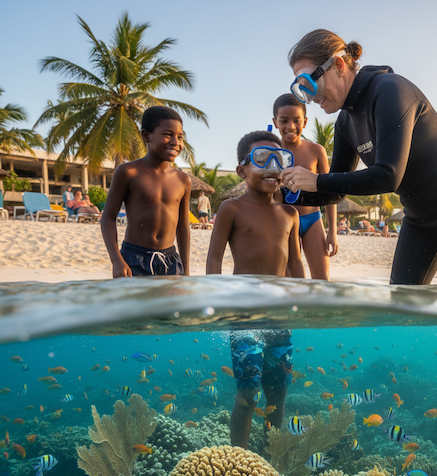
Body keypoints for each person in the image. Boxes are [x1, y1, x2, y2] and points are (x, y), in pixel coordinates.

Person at [281, 29, 437, 284]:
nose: (311, 97)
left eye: (309, 84)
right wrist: (281, 194)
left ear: (338, 65)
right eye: (301, 90)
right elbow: (335, 191)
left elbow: (389, 175)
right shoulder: (345, 122)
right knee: (402, 307)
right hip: (418, 216)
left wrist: (315, 180)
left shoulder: (389, 90)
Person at [206, 130, 304, 448]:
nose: (273, 167)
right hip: (244, 315)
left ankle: (270, 458)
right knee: (248, 394)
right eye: (263, 159)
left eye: (282, 159)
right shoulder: (231, 209)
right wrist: (218, 303)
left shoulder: (290, 214)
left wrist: (305, 302)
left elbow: (296, 267)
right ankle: (240, 458)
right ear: (242, 170)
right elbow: (214, 260)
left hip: (279, 318)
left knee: (278, 395)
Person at [101, 106, 190, 277]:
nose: (175, 142)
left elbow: (183, 226)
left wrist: (185, 269)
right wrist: (116, 260)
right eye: (167, 134)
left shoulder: (183, 180)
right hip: (134, 258)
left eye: (180, 137)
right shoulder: (128, 172)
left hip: (170, 261)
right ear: (146, 136)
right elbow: (108, 217)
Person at [272, 93, 337, 280]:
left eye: (296, 121)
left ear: (305, 122)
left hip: (312, 220)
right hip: (282, 224)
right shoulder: (270, 153)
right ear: (275, 122)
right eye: (284, 121)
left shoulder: (316, 151)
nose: (290, 127)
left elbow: (329, 192)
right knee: (290, 282)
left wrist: (332, 230)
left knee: (322, 279)